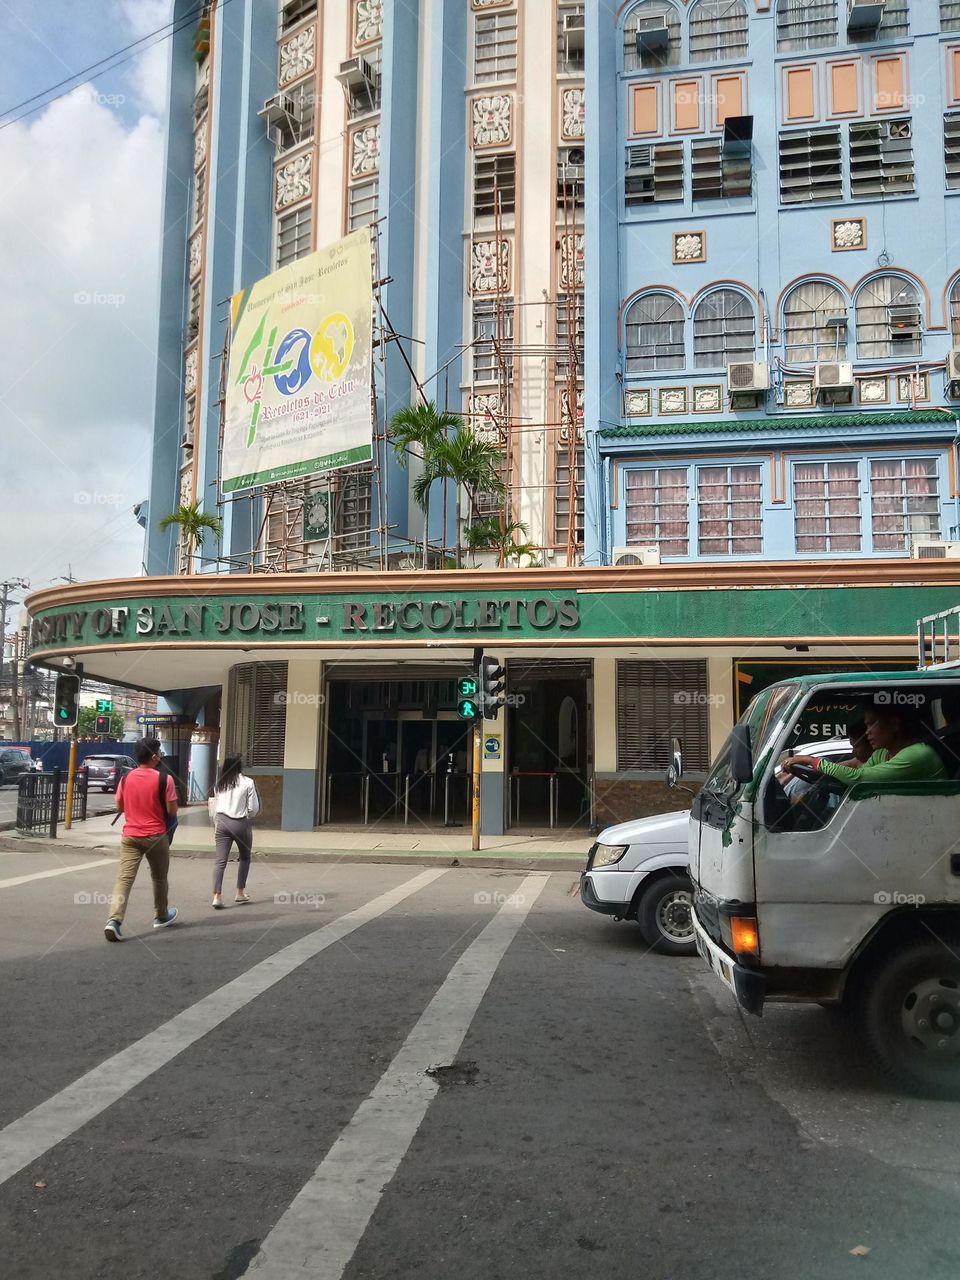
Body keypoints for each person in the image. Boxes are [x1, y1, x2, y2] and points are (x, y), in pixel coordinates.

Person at [104, 738, 179, 941]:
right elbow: (172, 811)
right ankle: (161, 915)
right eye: (159, 753)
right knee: (159, 877)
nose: (161, 755)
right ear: (154, 756)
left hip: (130, 836)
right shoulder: (165, 779)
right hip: (156, 836)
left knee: (124, 879)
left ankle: (114, 921)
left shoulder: (126, 778)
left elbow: (119, 807)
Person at [783, 703, 946, 787]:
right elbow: (858, 769)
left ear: (894, 724)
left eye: (872, 724)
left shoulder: (916, 754)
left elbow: (860, 778)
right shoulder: (882, 754)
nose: (867, 733)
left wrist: (812, 761)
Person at [210, 754, 260, 909]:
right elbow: (253, 808)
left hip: (222, 822)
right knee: (244, 858)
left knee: (220, 861)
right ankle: (240, 892)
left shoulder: (220, 783)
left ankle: (217, 896)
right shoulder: (248, 782)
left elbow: (215, 804)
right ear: (240, 766)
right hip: (240, 824)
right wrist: (247, 816)